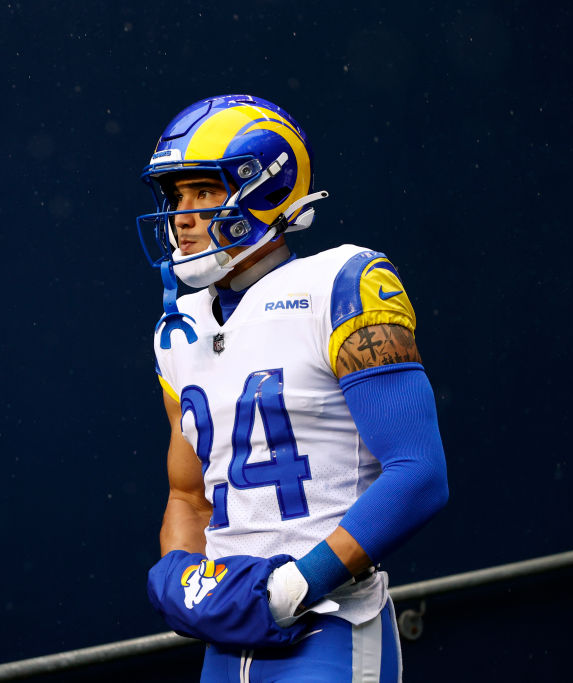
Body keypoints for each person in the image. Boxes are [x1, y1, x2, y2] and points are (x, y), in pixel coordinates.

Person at [137, 94, 449, 682]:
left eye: (203, 190)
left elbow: (419, 471)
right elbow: (189, 496)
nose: (182, 215)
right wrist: (185, 579)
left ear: (268, 188)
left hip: (331, 623)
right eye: (176, 196)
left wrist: (298, 582)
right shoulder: (180, 330)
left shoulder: (345, 285)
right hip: (229, 634)